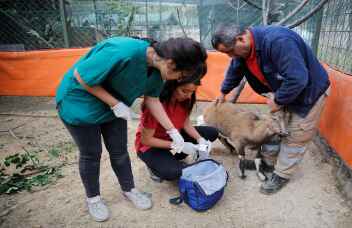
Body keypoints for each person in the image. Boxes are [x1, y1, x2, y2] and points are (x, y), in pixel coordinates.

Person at [56, 36, 207, 221]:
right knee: (91, 154)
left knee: (119, 151)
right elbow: (81, 76)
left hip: (113, 104)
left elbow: (152, 99)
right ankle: (93, 199)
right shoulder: (123, 51)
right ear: (171, 62)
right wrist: (116, 104)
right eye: (181, 76)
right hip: (79, 102)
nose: (179, 80)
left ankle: (129, 189)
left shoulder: (157, 70)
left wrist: (173, 133)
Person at [211, 24, 330, 194]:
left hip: (308, 93)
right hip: (282, 90)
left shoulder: (278, 41)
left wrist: (279, 100)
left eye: (230, 51)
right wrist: (223, 92)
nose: (231, 56)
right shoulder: (242, 52)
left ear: (241, 39)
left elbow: (298, 79)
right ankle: (268, 162)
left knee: (296, 135)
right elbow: (235, 69)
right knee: (273, 126)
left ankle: (282, 174)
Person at [135, 77, 219, 183]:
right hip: (152, 145)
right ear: (172, 87)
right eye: (184, 91)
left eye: (192, 92)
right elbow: (146, 140)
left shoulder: (185, 101)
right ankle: (155, 167)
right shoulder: (155, 105)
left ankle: (176, 158)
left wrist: (200, 139)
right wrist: (180, 146)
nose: (189, 96)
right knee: (174, 172)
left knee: (211, 133)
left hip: (175, 137)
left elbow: (186, 123)